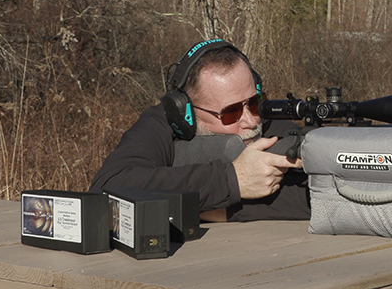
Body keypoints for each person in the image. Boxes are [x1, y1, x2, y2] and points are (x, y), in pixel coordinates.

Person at [89, 39, 310, 222]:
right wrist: (231, 181)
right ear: (186, 113)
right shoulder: (164, 122)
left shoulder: (266, 121)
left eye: (254, 102)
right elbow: (106, 189)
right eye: (231, 112)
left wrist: (220, 210)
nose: (251, 121)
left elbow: (310, 199)